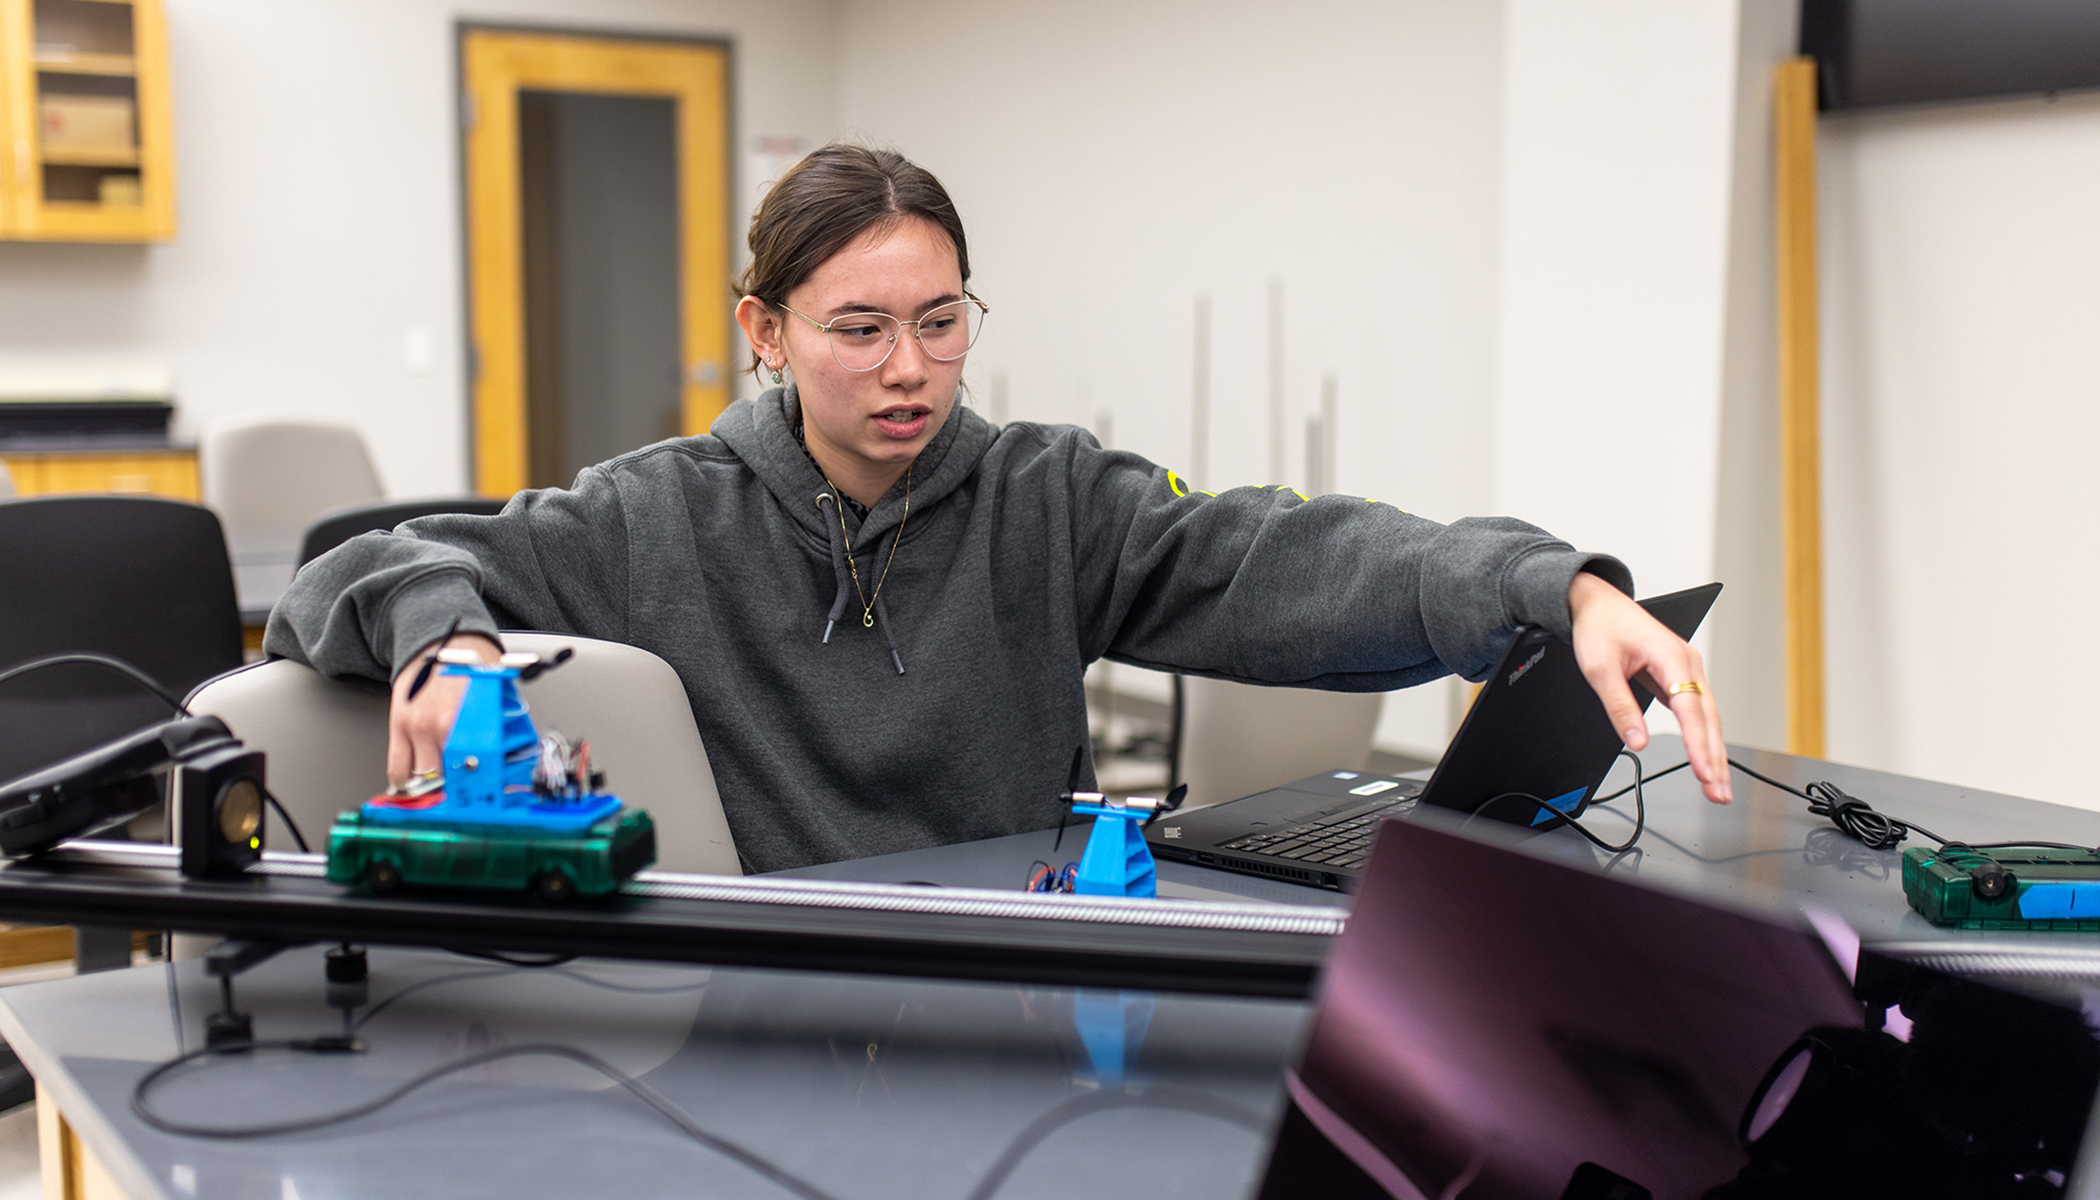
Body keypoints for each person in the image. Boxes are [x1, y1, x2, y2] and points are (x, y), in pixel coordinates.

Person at [267, 143, 1730, 874]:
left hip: (1038, 990)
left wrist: (1555, 591)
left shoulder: (1049, 494)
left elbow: (1285, 552)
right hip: (771, 1025)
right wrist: (443, 643)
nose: (912, 371)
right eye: (857, 329)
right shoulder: (655, 518)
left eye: (942, 319)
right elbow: (359, 561)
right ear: (762, 332)